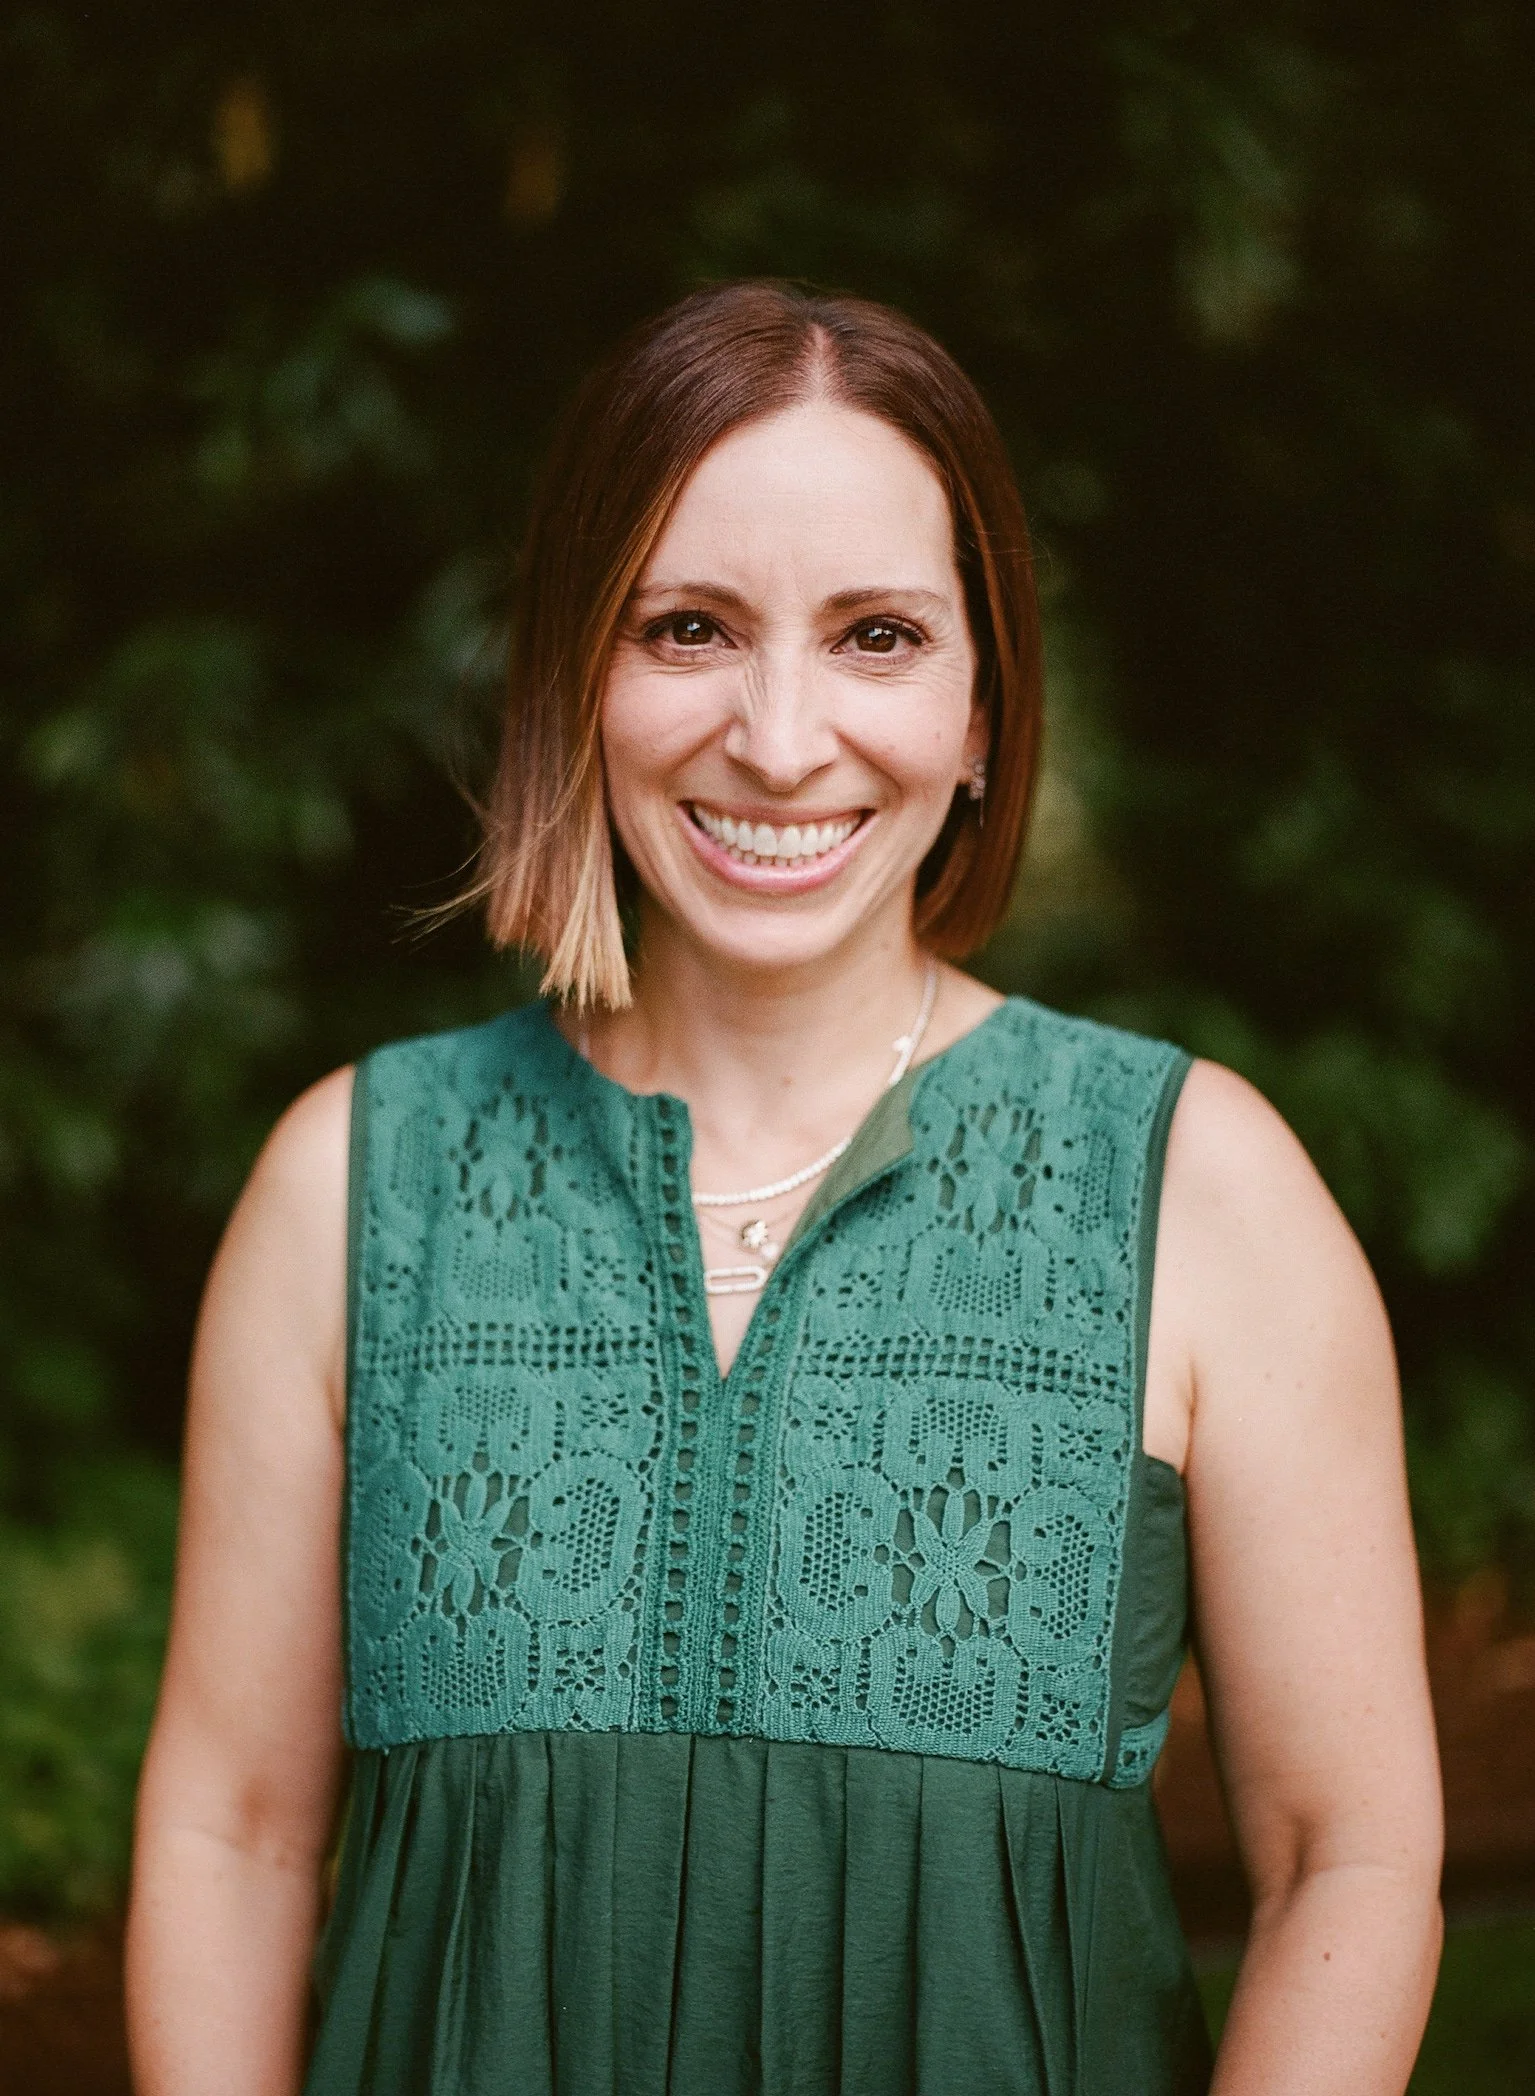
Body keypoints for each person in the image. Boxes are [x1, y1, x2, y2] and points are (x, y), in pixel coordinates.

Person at [125, 280, 1443, 2096]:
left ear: (985, 706)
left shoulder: (1203, 1186)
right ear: (575, 675)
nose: (776, 733)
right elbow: (234, 1832)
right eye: (687, 627)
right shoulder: (355, 1182)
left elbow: (1346, 1866)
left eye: (878, 635)